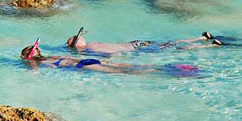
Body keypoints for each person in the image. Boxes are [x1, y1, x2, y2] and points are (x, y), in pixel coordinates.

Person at [20, 42, 200, 76]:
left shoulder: (43, 63)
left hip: (83, 67)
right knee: (126, 66)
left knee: (127, 72)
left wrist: (30, 65)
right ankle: (171, 67)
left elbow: (39, 72)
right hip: (88, 60)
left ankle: (170, 72)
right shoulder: (52, 56)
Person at [65, 27, 222, 55]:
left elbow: (114, 54)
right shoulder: (93, 46)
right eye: (78, 37)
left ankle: (208, 46)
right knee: (171, 43)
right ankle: (202, 38)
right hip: (137, 43)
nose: (80, 36)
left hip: (139, 49)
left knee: (175, 48)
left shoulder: (91, 49)